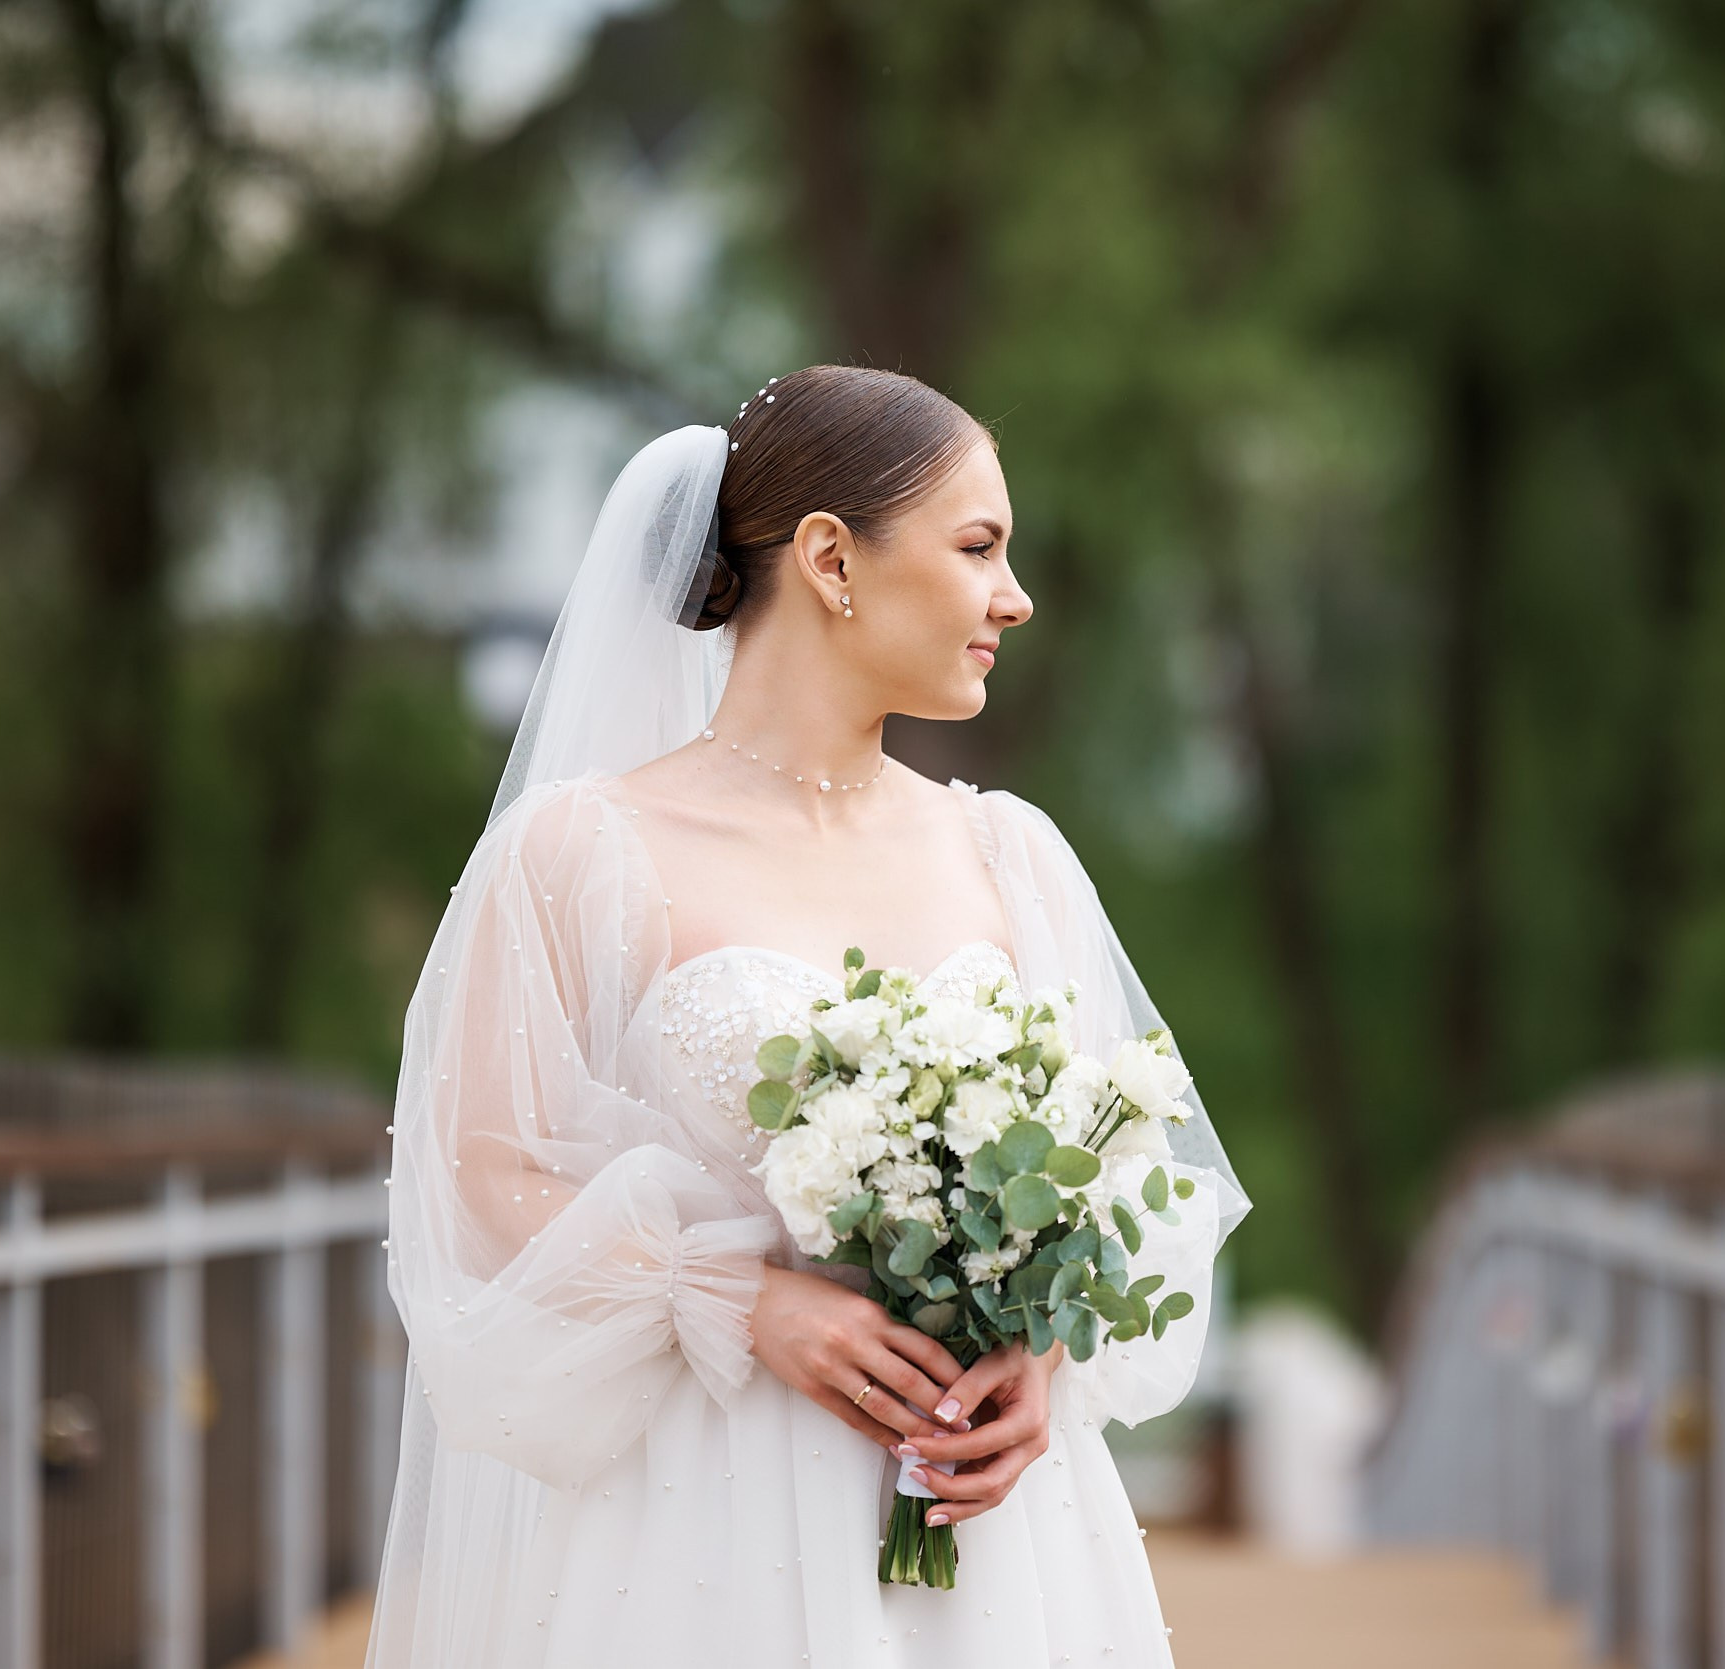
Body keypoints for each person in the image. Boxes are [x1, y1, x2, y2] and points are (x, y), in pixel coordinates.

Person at [362, 364, 1251, 1668]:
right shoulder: (580, 850)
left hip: (993, 1536)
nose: (1015, 596)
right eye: (978, 546)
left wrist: (1042, 1361)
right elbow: (479, 1174)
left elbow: (1110, 1171)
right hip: (705, 1513)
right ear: (833, 560)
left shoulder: (1011, 852)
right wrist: (738, 1296)